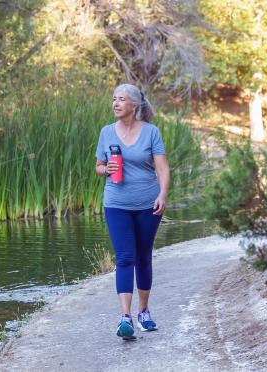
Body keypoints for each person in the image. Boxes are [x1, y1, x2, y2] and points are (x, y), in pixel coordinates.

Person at [95, 83, 170, 339]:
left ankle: (144, 312)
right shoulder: (106, 132)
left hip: (148, 203)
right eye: (114, 99)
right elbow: (99, 165)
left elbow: (162, 169)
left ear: (134, 105)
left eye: (122, 99)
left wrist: (162, 194)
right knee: (125, 257)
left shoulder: (151, 132)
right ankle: (125, 317)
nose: (116, 103)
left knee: (143, 256)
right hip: (116, 203)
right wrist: (105, 170)